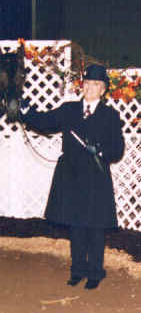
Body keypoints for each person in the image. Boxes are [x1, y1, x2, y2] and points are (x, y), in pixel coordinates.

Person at [20, 64, 125, 290]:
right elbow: (45, 121)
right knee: (76, 226)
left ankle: (96, 272)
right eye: (87, 84)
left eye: (96, 85)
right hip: (71, 175)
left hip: (96, 178)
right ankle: (77, 270)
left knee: (95, 227)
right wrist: (27, 112)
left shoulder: (110, 115)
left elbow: (118, 149)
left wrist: (100, 151)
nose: (90, 88)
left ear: (103, 90)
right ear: (82, 86)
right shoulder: (68, 110)